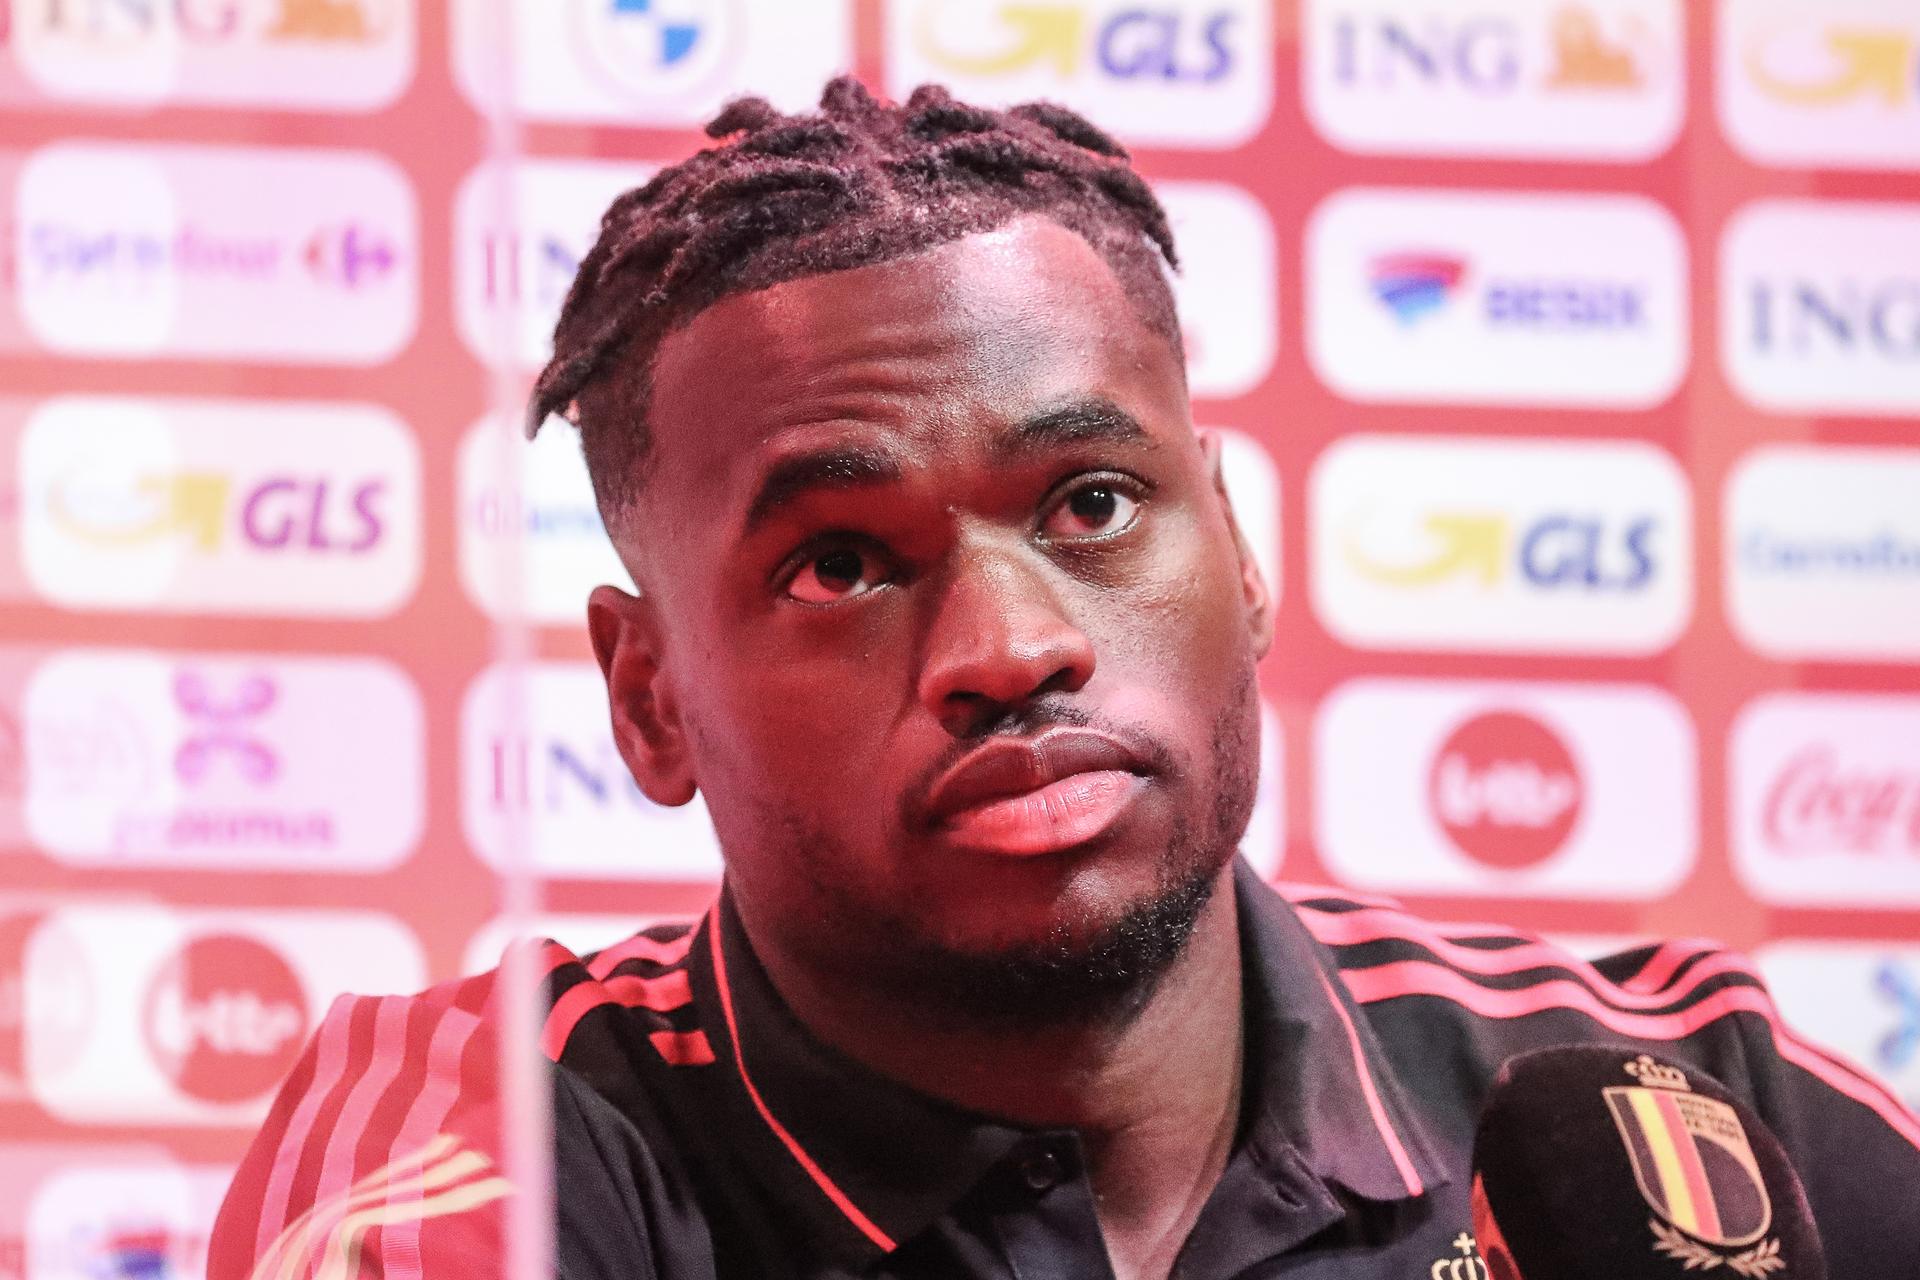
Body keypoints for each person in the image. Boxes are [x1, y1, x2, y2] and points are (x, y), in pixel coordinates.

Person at [209, 78, 1920, 1280]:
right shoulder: (504, 1126)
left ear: (1240, 556)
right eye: (843, 564)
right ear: (650, 697)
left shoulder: (1697, 1111)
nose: (1010, 649)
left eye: (1092, 506)